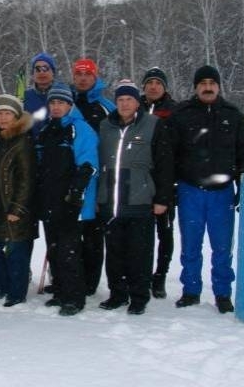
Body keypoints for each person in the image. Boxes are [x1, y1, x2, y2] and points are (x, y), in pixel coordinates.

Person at [168, 65, 244, 314]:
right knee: (190, 246)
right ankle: (191, 290)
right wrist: (171, 186)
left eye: (212, 83)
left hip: (222, 193)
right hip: (190, 190)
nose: (208, 87)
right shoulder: (181, 115)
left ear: (218, 86)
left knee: (222, 248)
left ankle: (223, 293)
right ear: (196, 87)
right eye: (203, 83)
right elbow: (169, 154)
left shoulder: (233, 116)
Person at [97, 80, 174, 315]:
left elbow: (164, 164)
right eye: (120, 100)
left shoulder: (152, 125)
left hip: (140, 200)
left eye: (129, 99)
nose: (124, 104)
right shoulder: (105, 126)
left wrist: (162, 198)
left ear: (137, 102)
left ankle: (139, 296)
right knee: (114, 253)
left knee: (139, 253)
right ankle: (117, 293)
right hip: (112, 201)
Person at [35, 83, 98, 316]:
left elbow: (89, 164)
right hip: (49, 200)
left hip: (71, 201)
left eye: (61, 102)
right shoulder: (46, 129)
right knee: (54, 248)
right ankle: (60, 289)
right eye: (53, 102)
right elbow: (40, 164)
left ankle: (74, 296)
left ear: (70, 105)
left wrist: (76, 193)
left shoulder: (79, 128)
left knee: (69, 250)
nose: (56, 106)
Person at [0, 94, 36, 307]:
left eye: (8, 114)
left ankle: (16, 293)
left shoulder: (22, 141)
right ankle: (0, 289)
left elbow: (27, 178)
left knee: (16, 252)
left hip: (13, 209)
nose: (3, 118)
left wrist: (17, 207)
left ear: (16, 117)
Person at [71, 58, 116, 296]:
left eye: (87, 74)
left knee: (93, 236)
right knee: (69, 235)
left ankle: (89, 283)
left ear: (94, 77)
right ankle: (68, 277)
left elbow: (115, 145)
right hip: (70, 179)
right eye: (78, 74)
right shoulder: (66, 103)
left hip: (97, 179)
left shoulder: (106, 107)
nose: (82, 79)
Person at [139, 67, 177, 298]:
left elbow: (180, 148)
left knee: (165, 232)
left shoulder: (174, 110)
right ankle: (142, 274)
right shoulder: (136, 107)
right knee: (142, 234)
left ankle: (160, 275)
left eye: (158, 83)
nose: (153, 87)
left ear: (164, 87)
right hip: (140, 182)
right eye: (149, 83)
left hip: (165, 179)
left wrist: (172, 183)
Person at [23, 52, 56, 139]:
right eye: (37, 69)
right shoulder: (25, 97)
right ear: (32, 74)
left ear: (53, 73)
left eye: (45, 68)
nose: (41, 72)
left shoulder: (62, 96)